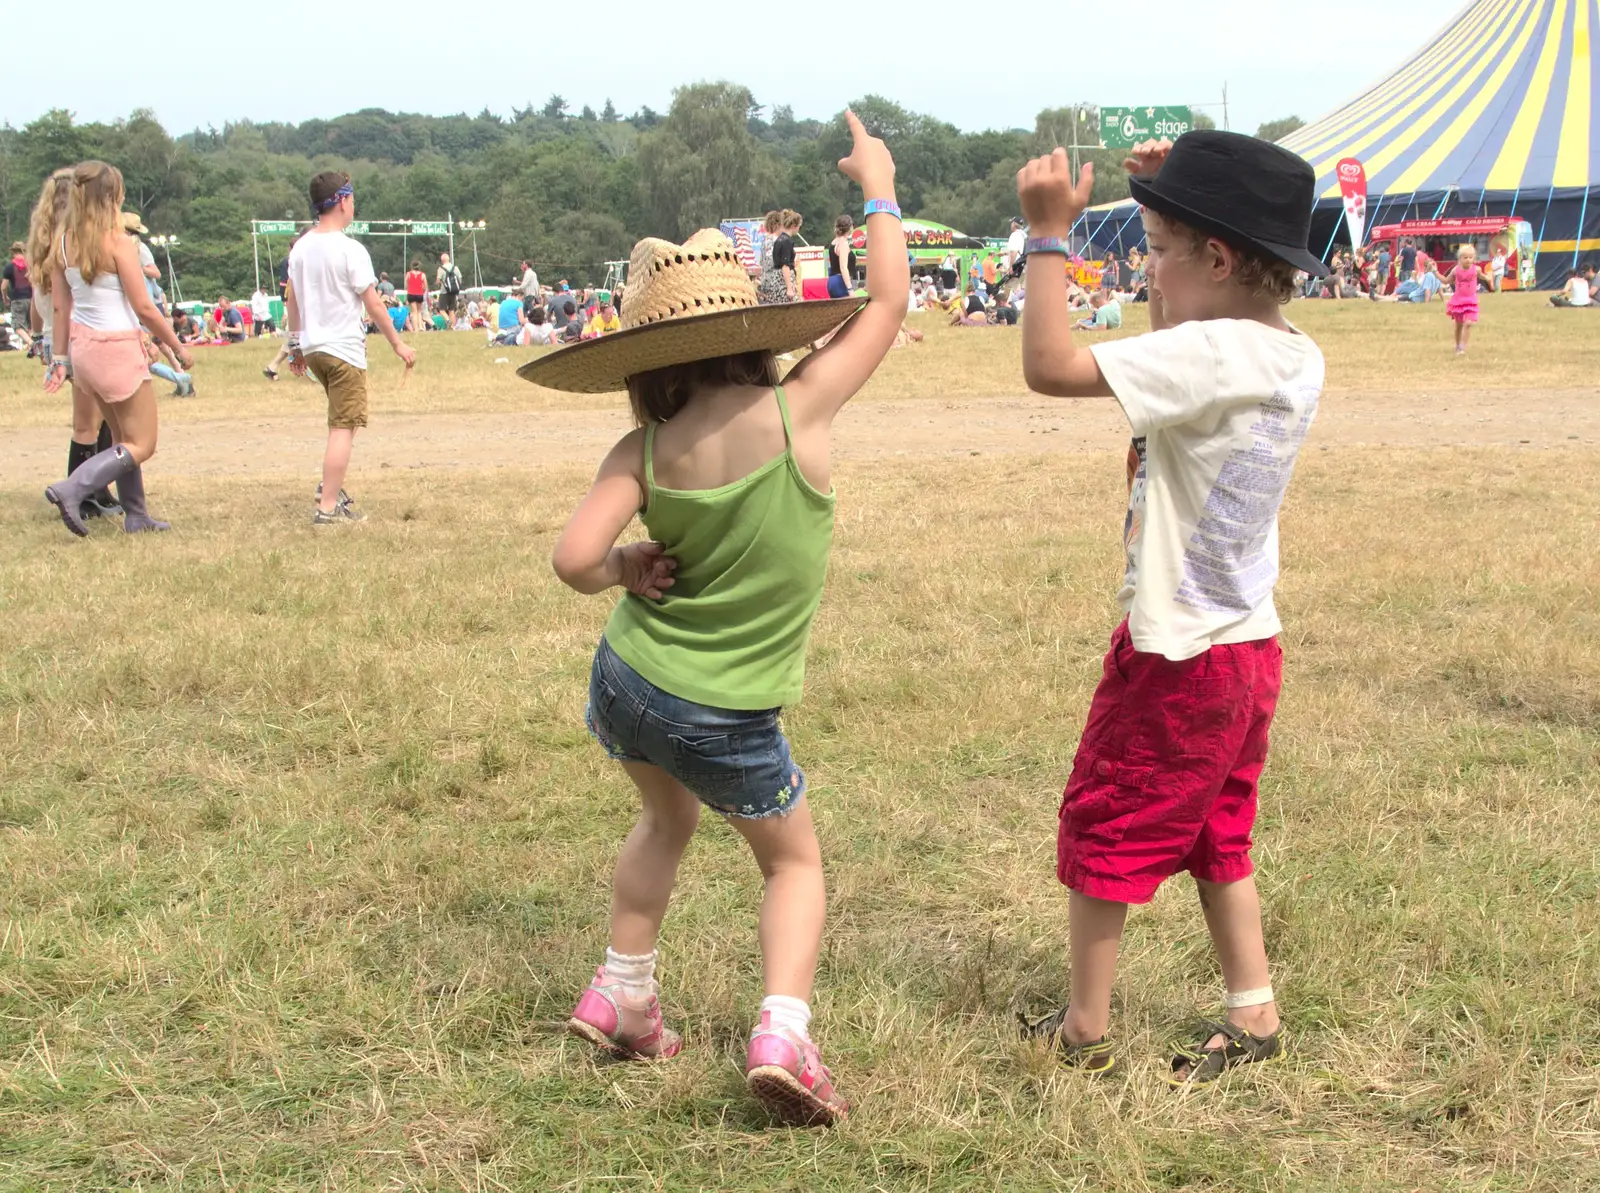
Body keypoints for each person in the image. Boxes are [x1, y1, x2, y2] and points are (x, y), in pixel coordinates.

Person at [527, 110, 902, 1129]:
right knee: (793, 859)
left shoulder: (638, 448)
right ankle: (782, 1032)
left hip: (629, 681)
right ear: (751, 331)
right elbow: (891, 299)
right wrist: (875, 186)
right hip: (725, 709)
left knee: (662, 817)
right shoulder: (799, 412)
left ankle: (622, 993)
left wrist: (620, 563)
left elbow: (570, 560)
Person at [1014, 130, 1327, 1085]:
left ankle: (1085, 1025)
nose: (1149, 264)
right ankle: (1253, 1005)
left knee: (1104, 822)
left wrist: (1046, 238)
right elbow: (1171, 327)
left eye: (1157, 246)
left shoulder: (1210, 354)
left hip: (1176, 654)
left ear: (1219, 259)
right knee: (1215, 829)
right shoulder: (1288, 351)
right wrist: (1169, 200)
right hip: (1246, 644)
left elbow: (1048, 364)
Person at [41, 160, 192, 536]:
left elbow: (61, 308)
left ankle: (136, 514)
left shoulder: (62, 243)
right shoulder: (120, 243)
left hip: (84, 350)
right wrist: (177, 345)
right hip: (118, 348)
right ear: (113, 196)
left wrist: (60, 359)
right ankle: (74, 487)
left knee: (123, 435)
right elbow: (144, 308)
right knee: (143, 443)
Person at [285, 170, 416, 525]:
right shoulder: (349, 248)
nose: (353, 205)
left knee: (344, 421)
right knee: (343, 426)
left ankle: (331, 487)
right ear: (342, 201)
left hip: (315, 349)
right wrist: (397, 343)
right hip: (343, 349)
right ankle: (327, 507)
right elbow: (373, 303)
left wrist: (294, 345)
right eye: (352, 199)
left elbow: (292, 302)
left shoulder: (301, 248)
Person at [1446, 244, 1481, 352]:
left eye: (1470, 257)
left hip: (1471, 300)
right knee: (1458, 326)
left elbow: (1483, 276)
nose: (1468, 260)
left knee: (1468, 323)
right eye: (1465, 257)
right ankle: (1457, 345)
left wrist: (1490, 278)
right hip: (1459, 300)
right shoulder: (1456, 270)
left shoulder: (1476, 269)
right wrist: (1435, 272)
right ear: (1460, 258)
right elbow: (1446, 280)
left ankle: (1462, 346)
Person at [757, 211, 788, 305]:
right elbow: (774, 262)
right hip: (775, 283)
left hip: (765, 281)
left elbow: (761, 262)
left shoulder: (764, 241)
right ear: (777, 225)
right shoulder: (777, 241)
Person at [3, 239, 34, 334]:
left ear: (13, 252)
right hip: (31, 299)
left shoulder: (9, 267)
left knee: (17, 326)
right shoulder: (30, 265)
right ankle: (34, 344)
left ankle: (30, 343)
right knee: (31, 326)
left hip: (17, 300)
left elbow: (3, 287)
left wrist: (5, 298)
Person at [827, 215, 856, 299]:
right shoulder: (843, 244)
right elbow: (843, 267)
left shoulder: (834, 242)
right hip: (841, 281)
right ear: (850, 227)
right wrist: (850, 289)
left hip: (832, 280)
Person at [437, 252, 463, 319]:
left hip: (444, 292)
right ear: (449, 259)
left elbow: (438, 281)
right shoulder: (455, 268)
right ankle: (453, 326)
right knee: (451, 310)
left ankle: (448, 321)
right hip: (453, 292)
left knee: (442, 309)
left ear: (442, 260)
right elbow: (460, 280)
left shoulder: (441, 269)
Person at [404, 259, 427, 331]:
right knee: (419, 311)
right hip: (419, 294)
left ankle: (415, 328)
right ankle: (420, 326)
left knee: (414, 312)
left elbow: (405, 285)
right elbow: (425, 286)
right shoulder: (422, 274)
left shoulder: (408, 274)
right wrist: (421, 290)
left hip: (411, 293)